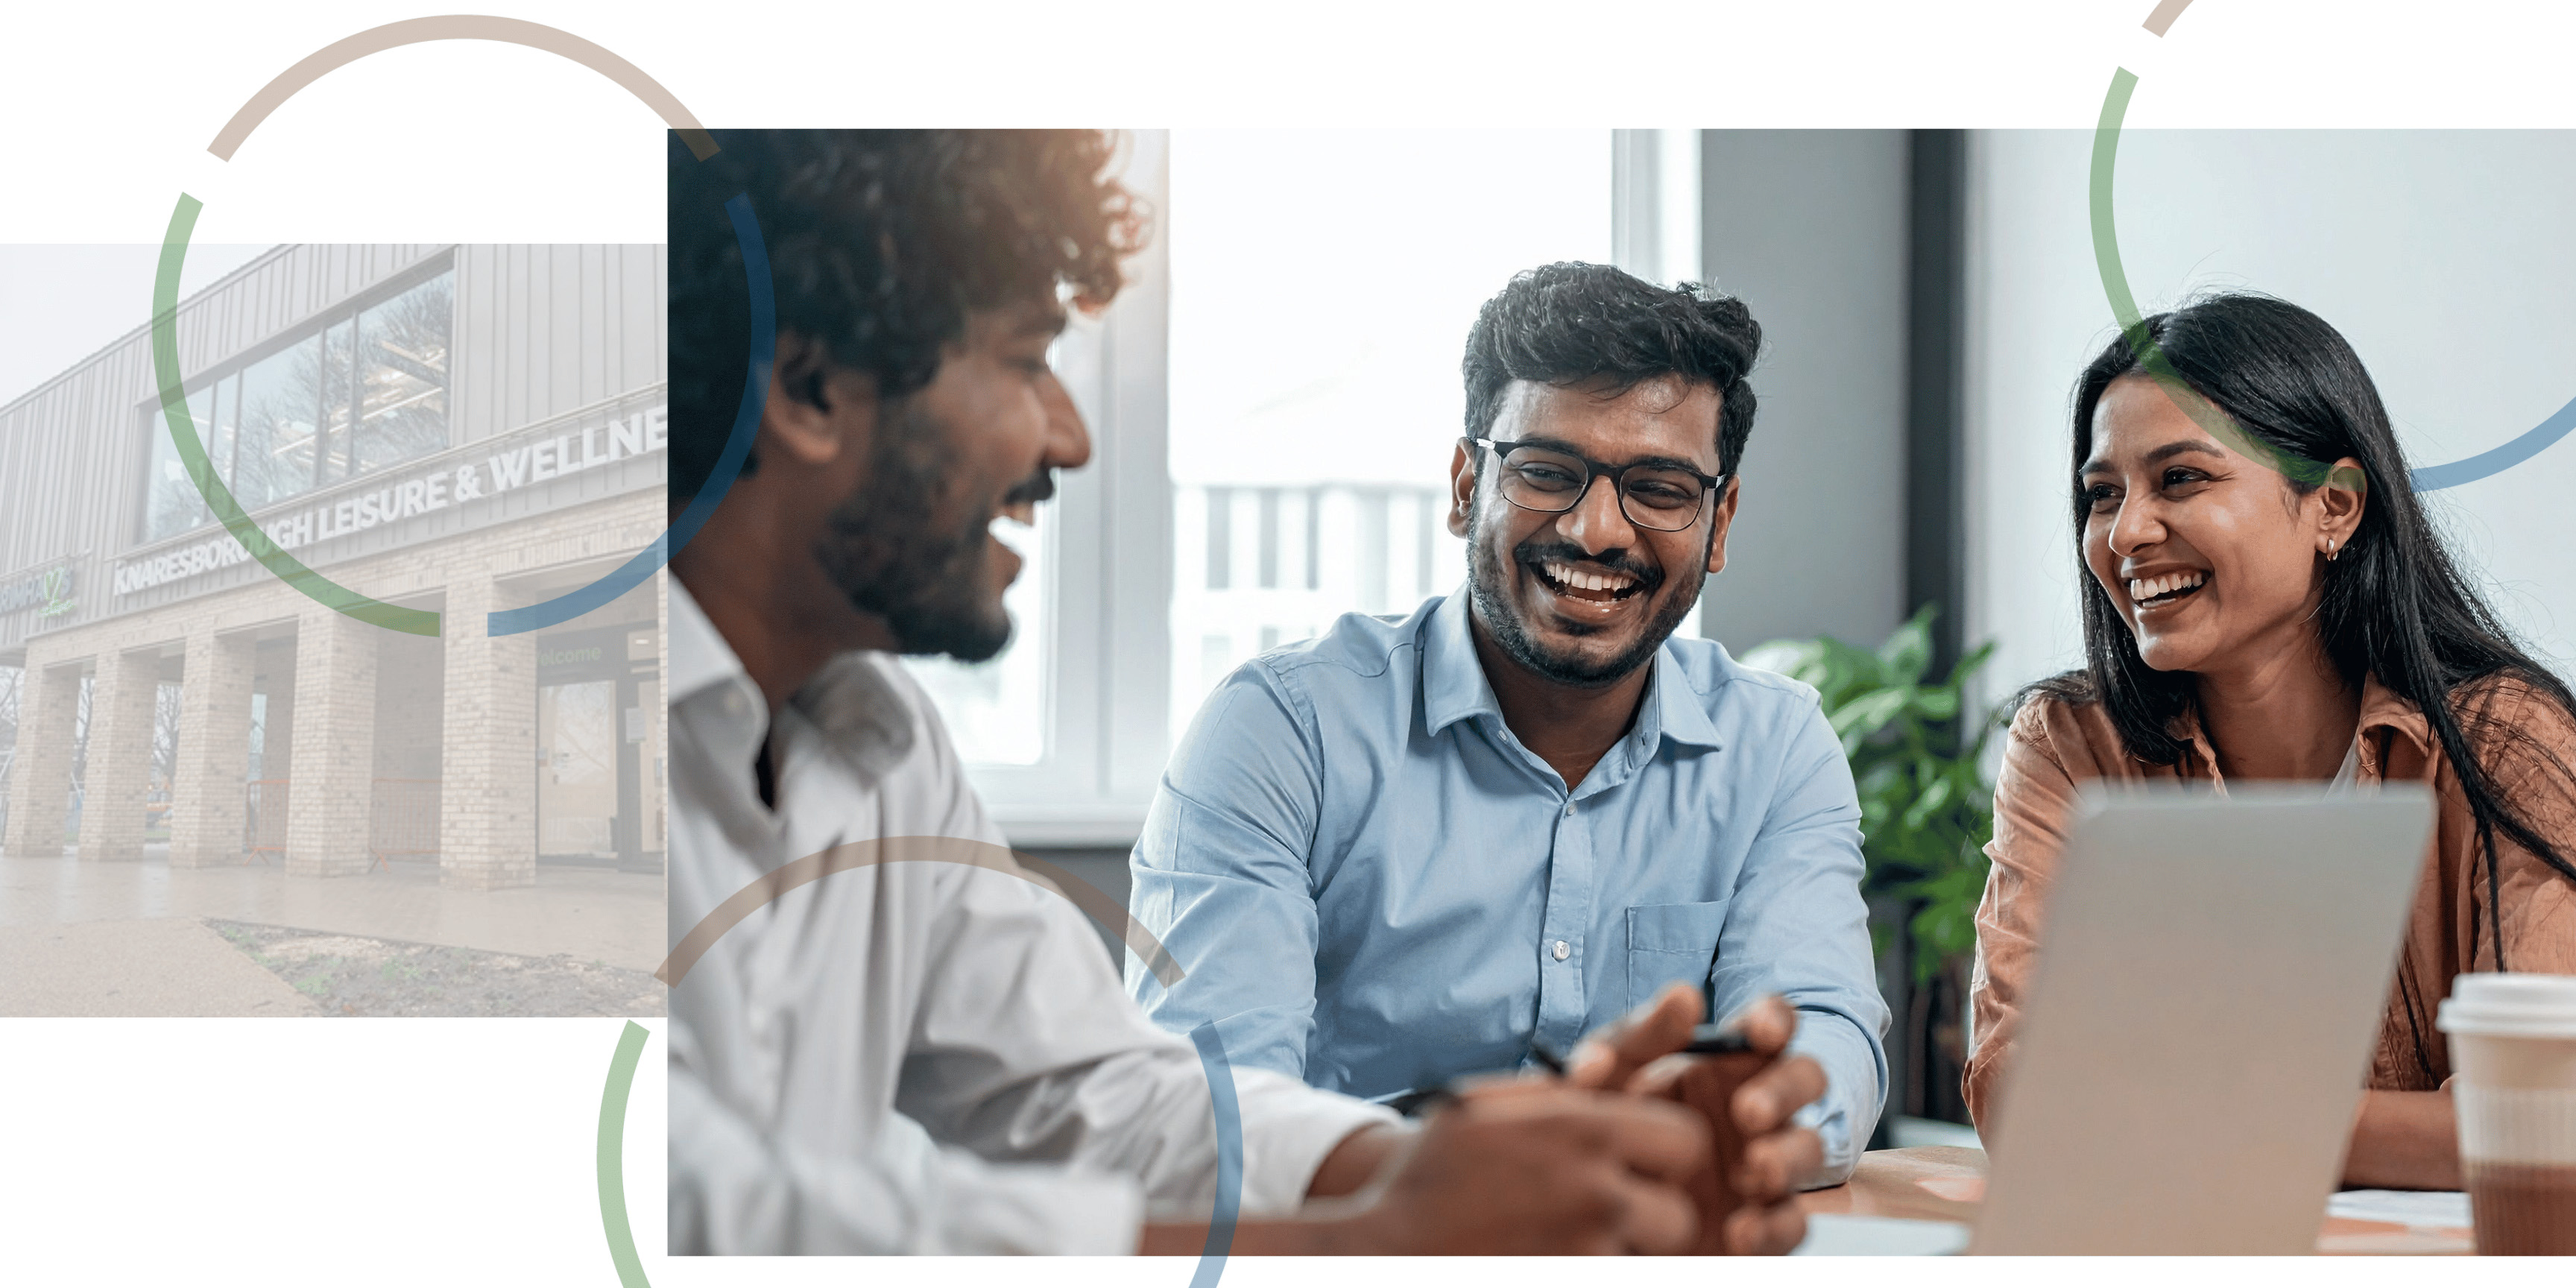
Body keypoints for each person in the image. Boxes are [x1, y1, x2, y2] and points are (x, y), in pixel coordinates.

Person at [662, 129, 1797, 1256]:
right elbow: (690, 1214)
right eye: (1022, 361)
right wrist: (1370, 1240)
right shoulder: (559, 754)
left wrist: (1466, 1173)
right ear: (810, 387)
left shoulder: (874, 739)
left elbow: (1100, 1092)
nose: (1071, 437)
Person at [1128, 262, 1890, 1189]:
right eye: (1547, 473)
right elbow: (1214, 1111)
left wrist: (1749, 1121)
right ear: (1466, 486)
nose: (1598, 530)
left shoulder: (1776, 749)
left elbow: (1823, 1035)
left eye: (1659, 488)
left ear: (1718, 521)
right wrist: (1505, 1174)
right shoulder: (1283, 732)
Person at [1966, 291, 2576, 1188]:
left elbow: (2539, 1112)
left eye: (2181, 478)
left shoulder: (2505, 740)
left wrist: (2198, 1113)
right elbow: (2021, 1093)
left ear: (2335, 506)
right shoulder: (2070, 743)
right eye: (2103, 495)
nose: (2126, 533)